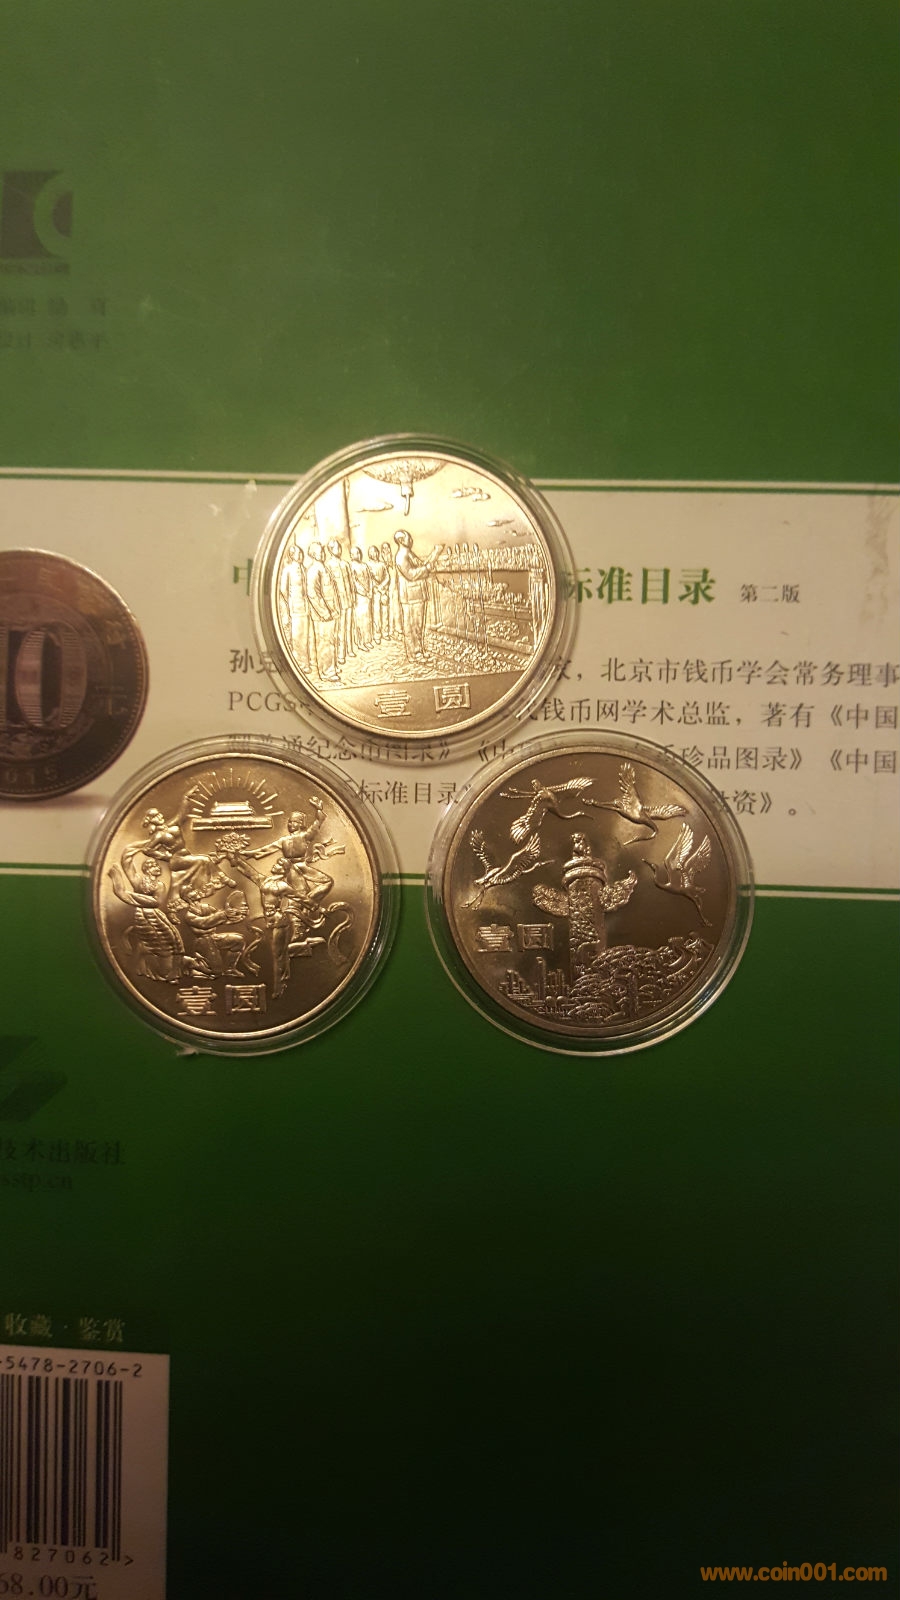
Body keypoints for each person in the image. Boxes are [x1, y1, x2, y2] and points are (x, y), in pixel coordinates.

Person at [393, 529, 444, 661]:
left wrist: (434, 554)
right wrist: (426, 568)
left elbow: (422, 566)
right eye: (409, 538)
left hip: (417, 595)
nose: (411, 540)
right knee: (411, 626)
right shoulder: (401, 556)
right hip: (410, 597)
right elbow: (411, 574)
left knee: (418, 626)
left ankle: (419, 650)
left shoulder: (409, 553)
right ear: (401, 541)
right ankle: (414, 654)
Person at [304, 542, 340, 683]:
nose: (323, 553)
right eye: (320, 552)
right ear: (313, 554)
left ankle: (332, 667)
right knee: (324, 642)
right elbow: (312, 593)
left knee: (330, 641)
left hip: (331, 612)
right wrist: (324, 612)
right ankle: (327, 672)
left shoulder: (322, 567)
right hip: (323, 615)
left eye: (323, 551)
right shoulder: (313, 570)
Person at [325, 538, 354, 665]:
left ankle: (349, 650)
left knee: (349, 626)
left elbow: (351, 581)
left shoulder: (345, 564)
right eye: (336, 547)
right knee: (340, 629)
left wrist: (353, 596)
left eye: (339, 547)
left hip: (349, 599)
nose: (339, 549)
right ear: (331, 550)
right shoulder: (328, 565)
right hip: (338, 602)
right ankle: (341, 655)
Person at [349, 546, 374, 650]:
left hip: (367, 596)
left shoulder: (364, 565)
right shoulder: (351, 566)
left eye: (359, 552)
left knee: (368, 619)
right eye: (356, 553)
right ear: (351, 555)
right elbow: (354, 582)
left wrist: (370, 591)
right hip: (359, 597)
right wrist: (364, 592)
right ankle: (360, 643)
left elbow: (370, 579)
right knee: (360, 620)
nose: (358, 555)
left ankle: (367, 640)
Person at [367, 544, 389, 644]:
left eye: (375, 551)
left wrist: (382, 587)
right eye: (372, 552)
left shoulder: (382, 564)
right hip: (375, 592)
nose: (374, 553)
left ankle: (385, 633)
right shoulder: (367, 565)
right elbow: (369, 579)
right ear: (369, 554)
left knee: (385, 613)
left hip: (383, 591)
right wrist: (375, 588)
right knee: (376, 614)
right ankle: (377, 635)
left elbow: (387, 577)